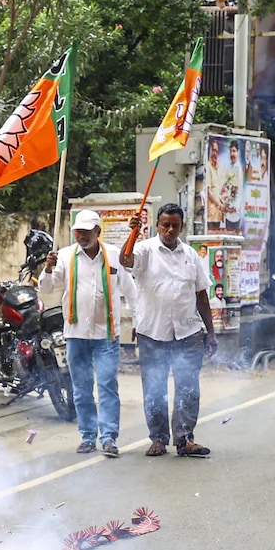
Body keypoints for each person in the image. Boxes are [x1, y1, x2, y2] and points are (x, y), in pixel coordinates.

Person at [38, 210, 136, 457]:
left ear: (97, 232)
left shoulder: (113, 256)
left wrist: (139, 319)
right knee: (81, 388)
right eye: (77, 232)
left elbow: (130, 289)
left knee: (107, 386)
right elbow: (46, 288)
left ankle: (109, 437)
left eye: (86, 232)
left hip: (106, 334)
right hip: (76, 332)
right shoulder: (64, 256)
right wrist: (48, 269)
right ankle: (88, 436)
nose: (81, 236)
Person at [123, 203, 216, 457]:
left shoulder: (191, 255)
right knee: (155, 388)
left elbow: (201, 295)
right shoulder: (144, 250)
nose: (170, 230)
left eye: (175, 225)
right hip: (152, 333)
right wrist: (132, 233)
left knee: (188, 387)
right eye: (165, 225)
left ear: (181, 226)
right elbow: (125, 260)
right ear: (157, 225)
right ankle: (158, 439)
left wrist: (211, 331)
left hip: (188, 332)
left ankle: (185, 439)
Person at [204, 140, 227, 229]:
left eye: (217, 151)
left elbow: (221, 189)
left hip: (218, 214)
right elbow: (208, 192)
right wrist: (219, 205)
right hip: (211, 214)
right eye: (213, 150)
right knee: (210, 241)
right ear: (209, 151)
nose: (215, 153)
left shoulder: (218, 168)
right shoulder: (208, 166)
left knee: (218, 241)